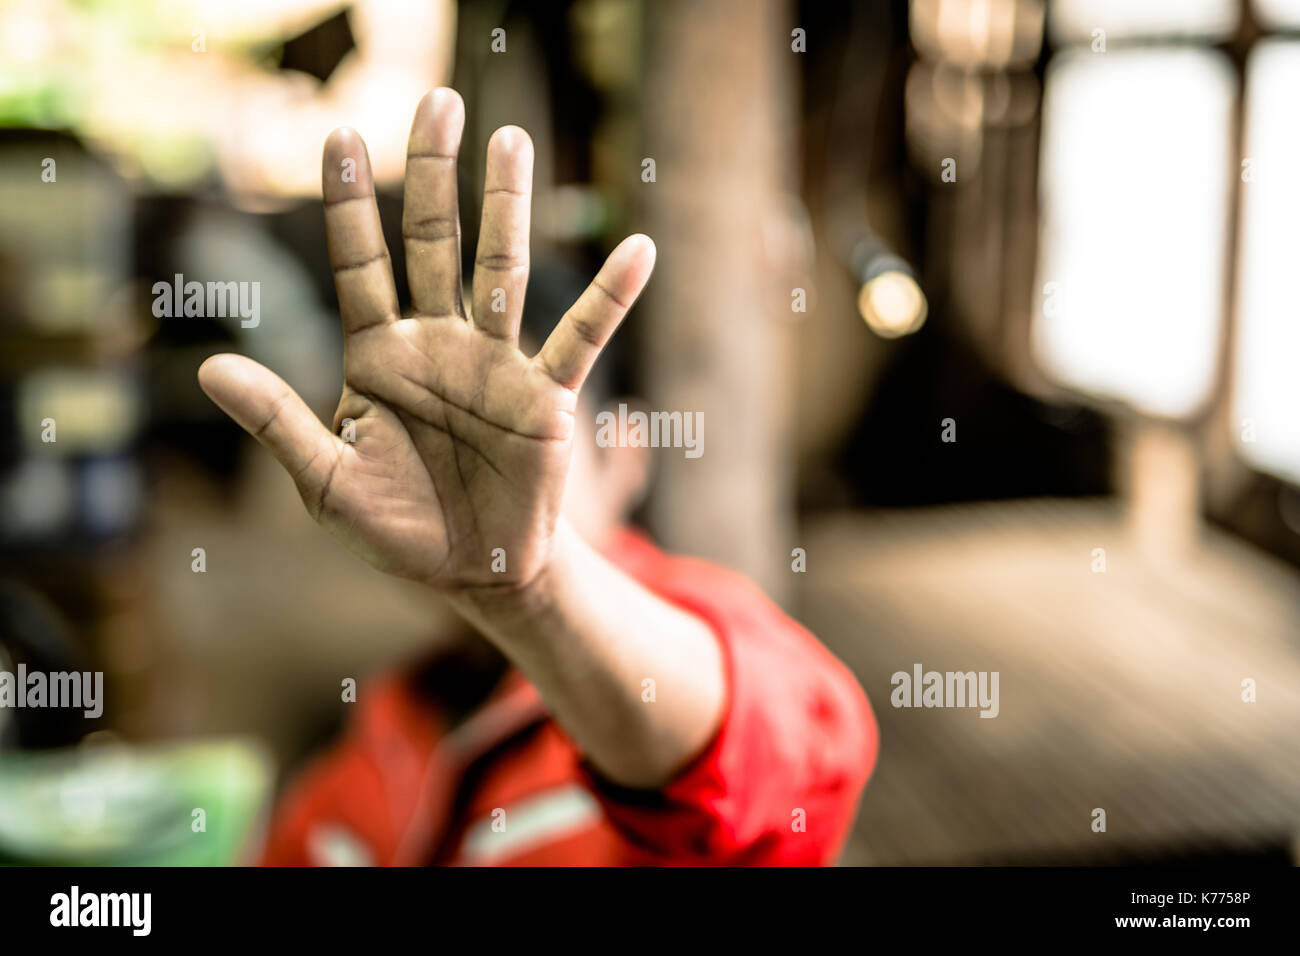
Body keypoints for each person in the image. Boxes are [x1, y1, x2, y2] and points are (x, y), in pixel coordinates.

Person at [198, 88, 877, 866]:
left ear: (624, 456)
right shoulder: (381, 726)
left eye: (491, 433)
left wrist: (537, 586)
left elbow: (804, 762)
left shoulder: (699, 650)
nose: (445, 473)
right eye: (417, 435)